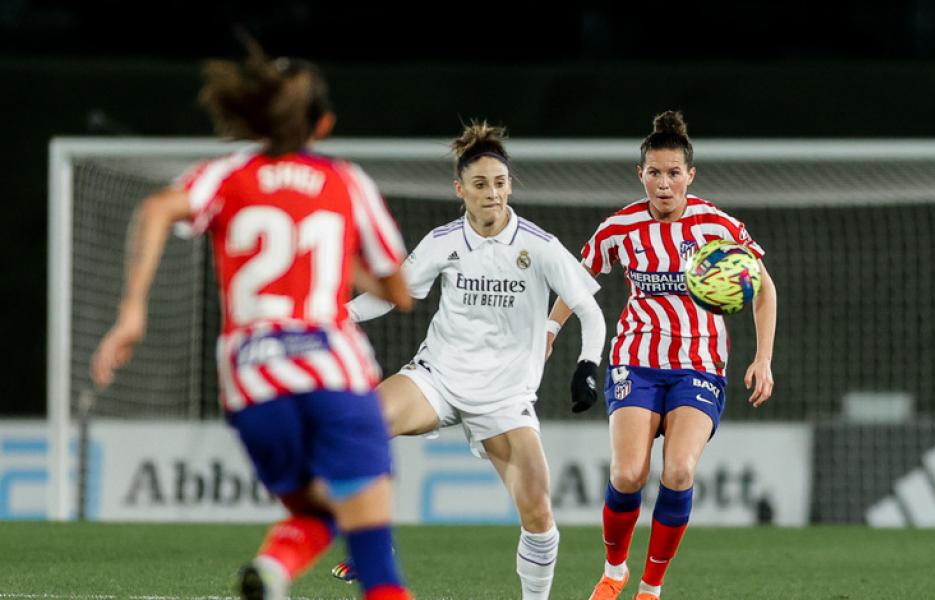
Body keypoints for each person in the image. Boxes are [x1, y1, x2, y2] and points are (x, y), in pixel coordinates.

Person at [89, 42, 416, 600]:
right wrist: (339, 264)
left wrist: (132, 311)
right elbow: (398, 292)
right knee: (373, 551)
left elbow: (156, 209)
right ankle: (295, 571)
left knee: (318, 507)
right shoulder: (345, 181)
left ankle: (273, 569)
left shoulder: (227, 174)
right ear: (324, 124)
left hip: (253, 380)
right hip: (334, 372)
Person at [337, 122, 606, 600]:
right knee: (360, 426)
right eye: (480, 184)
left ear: (510, 186)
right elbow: (395, 293)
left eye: (499, 183)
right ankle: (373, 547)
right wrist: (345, 315)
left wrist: (587, 365)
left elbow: (590, 310)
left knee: (539, 515)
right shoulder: (443, 241)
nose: (492, 193)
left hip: (505, 396)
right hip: (438, 378)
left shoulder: (538, 245)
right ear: (460, 189)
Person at [547, 110, 778, 600]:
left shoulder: (716, 225)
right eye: (655, 172)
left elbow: (764, 288)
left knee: (679, 471)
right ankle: (614, 571)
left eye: (674, 172)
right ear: (641, 175)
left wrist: (763, 358)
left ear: (690, 175)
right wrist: (549, 331)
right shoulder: (621, 226)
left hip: (699, 364)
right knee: (628, 473)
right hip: (636, 358)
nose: (664, 183)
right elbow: (579, 281)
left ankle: (650, 588)